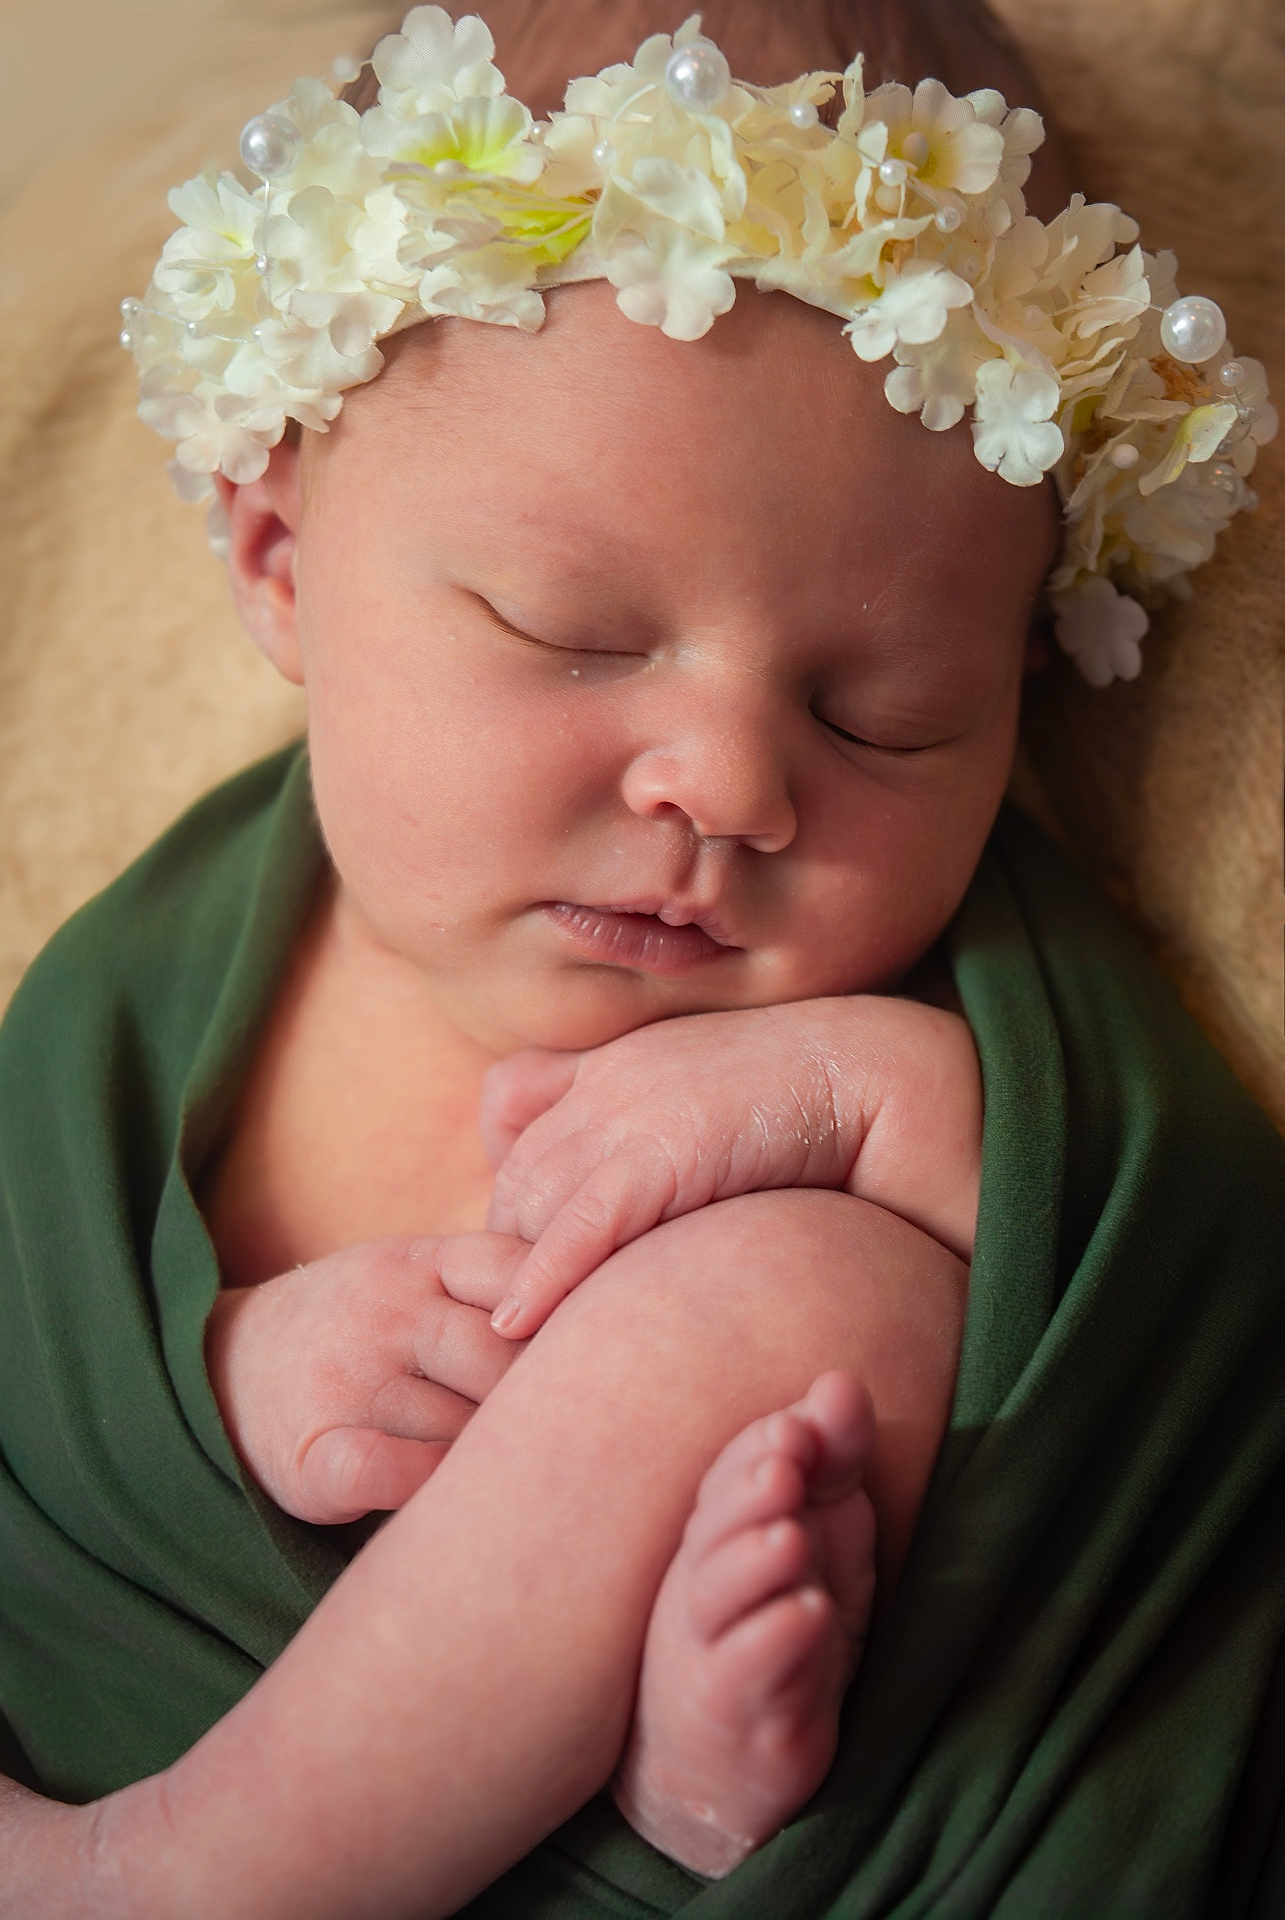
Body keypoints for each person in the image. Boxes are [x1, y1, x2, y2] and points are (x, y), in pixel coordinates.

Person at [1, 3, 1282, 1915]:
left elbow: (1177, 1309)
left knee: (817, 1294)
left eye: (884, 716)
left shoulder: (965, 1004)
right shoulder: (148, 981)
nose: (728, 786)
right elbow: (38, 1318)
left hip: (866, 1817)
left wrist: (878, 1096)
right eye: (572, 634)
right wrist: (236, 1374)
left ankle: (239, 1866)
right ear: (279, 560)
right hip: (140, 1695)